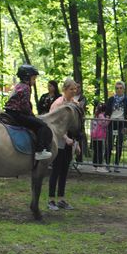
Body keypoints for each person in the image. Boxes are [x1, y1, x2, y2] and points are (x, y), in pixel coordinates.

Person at [4, 65, 53, 160]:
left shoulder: (18, 85)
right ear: (27, 78)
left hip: (9, 112)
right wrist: (32, 115)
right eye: (34, 78)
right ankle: (39, 151)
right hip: (17, 114)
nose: (34, 81)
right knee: (42, 126)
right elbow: (24, 105)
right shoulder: (26, 87)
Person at [48, 78, 80, 210]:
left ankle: (61, 199)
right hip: (58, 140)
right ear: (65, 89)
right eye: (71, 89)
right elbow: (54, 124)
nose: (74, 91)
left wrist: (76, 143)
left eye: (75, 89)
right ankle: (51, 200)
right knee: (56, 170)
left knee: (64, 170)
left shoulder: (74, 104)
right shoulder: (58, 104)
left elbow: (76, 125)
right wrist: (65, 138)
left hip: (69, 141)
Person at [104, 81, 127, 171]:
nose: (119, 90)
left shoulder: (126, 100)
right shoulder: (111, 99)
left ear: (123, 89)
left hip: (121, 123)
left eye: (120, 88)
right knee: (110, 144)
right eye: (117, 88)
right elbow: (107, 112)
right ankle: (107, 163)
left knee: (119, 144)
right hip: (112, 123)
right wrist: (106, 120)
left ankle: (116, 165)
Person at [91, 103, 109, 172]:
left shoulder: (95, 116)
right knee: (100, 151)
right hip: (100, 136)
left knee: (95, 151)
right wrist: (108, 119)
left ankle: (94, 166)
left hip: (94, 136)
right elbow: (103, 124)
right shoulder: (101, 116)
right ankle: (100, 166)